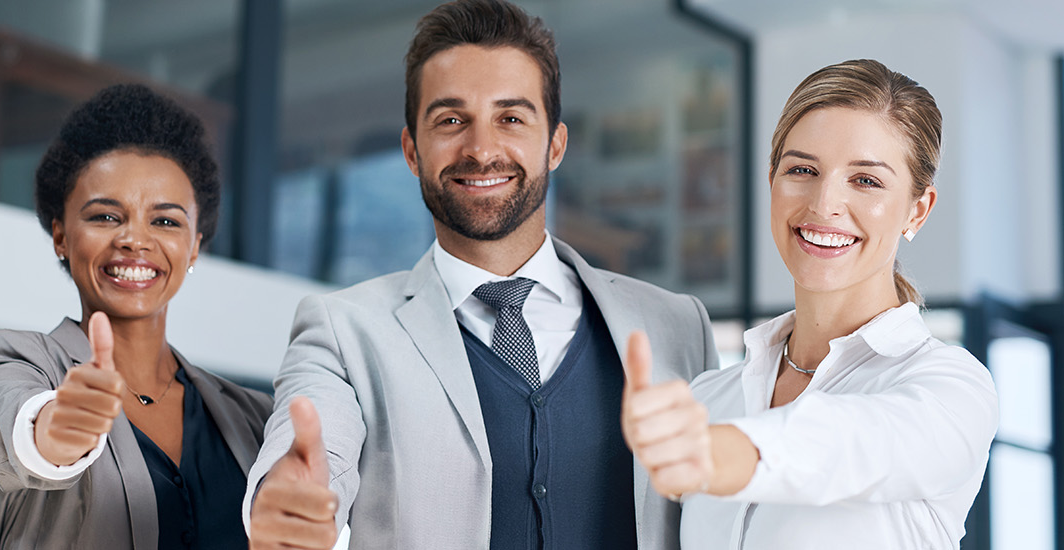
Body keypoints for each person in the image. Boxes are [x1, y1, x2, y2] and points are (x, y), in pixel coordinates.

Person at [244, 1, 717, 548]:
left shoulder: (678, 327)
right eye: (450, 121)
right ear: (411, 150)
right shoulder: (343, 330)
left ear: (555, 144)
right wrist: (288, 497)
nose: (482, 149)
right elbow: (309, 448)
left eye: (511, 118)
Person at [619, 59, 999, 549]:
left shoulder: (951, 390)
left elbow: (850, 444)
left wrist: (717, 453)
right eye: (802, 169)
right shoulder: (711, 396)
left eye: (865, 180)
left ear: (917, 210)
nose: (824, 204)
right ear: (772, 181)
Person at [0, 84, 272, 549]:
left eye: (165, 221)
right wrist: (54, 430)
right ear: (60, 236)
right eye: (106, 216)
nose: (134, 239)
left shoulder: (253, 416)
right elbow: (10, 433)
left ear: (195, 247)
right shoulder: (17, 361)